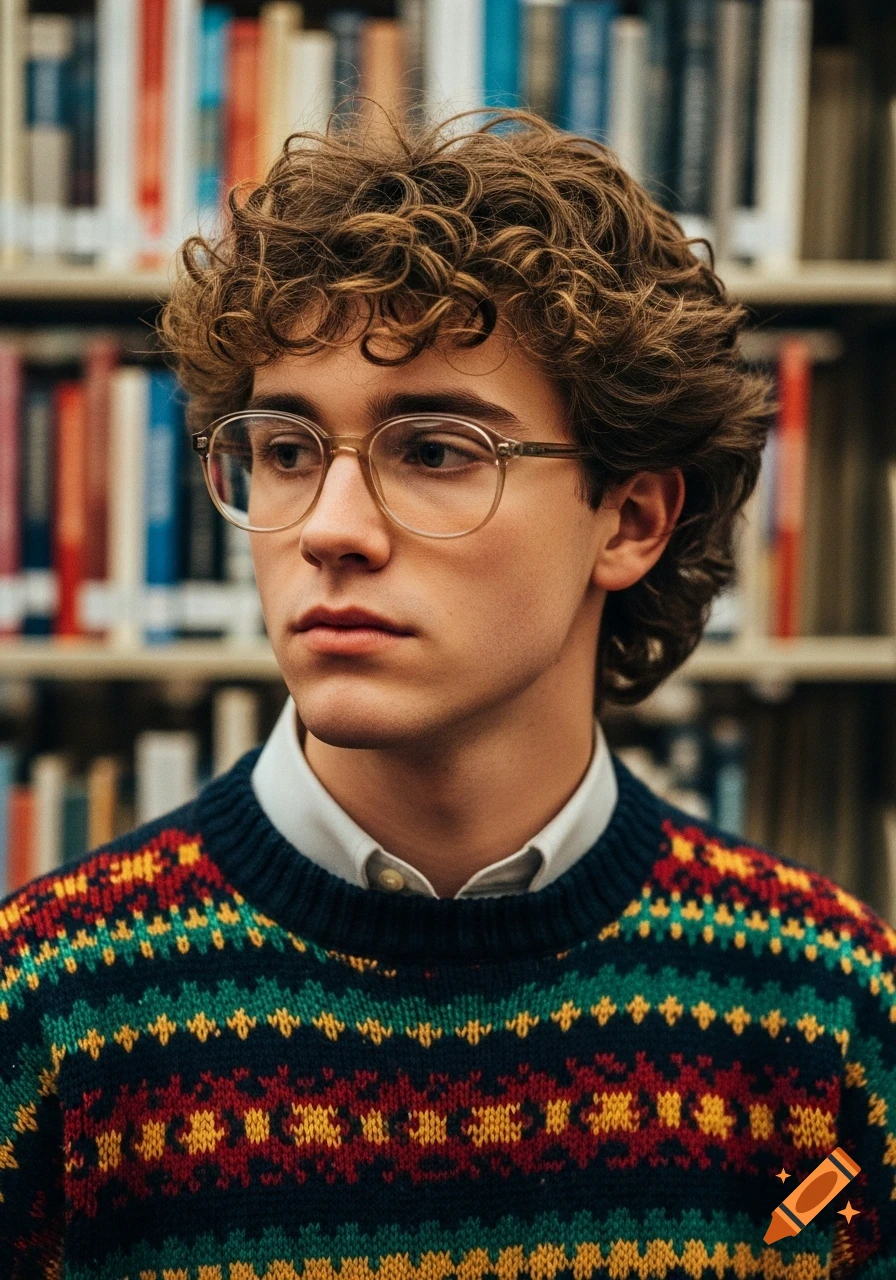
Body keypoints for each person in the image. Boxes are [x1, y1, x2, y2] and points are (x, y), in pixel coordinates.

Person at [2, 106, 894, 1279]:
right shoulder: (45, 1004)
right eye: (284, 450)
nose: (327, 528)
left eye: (432, 450)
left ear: (628, 519)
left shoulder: (823, 1009)